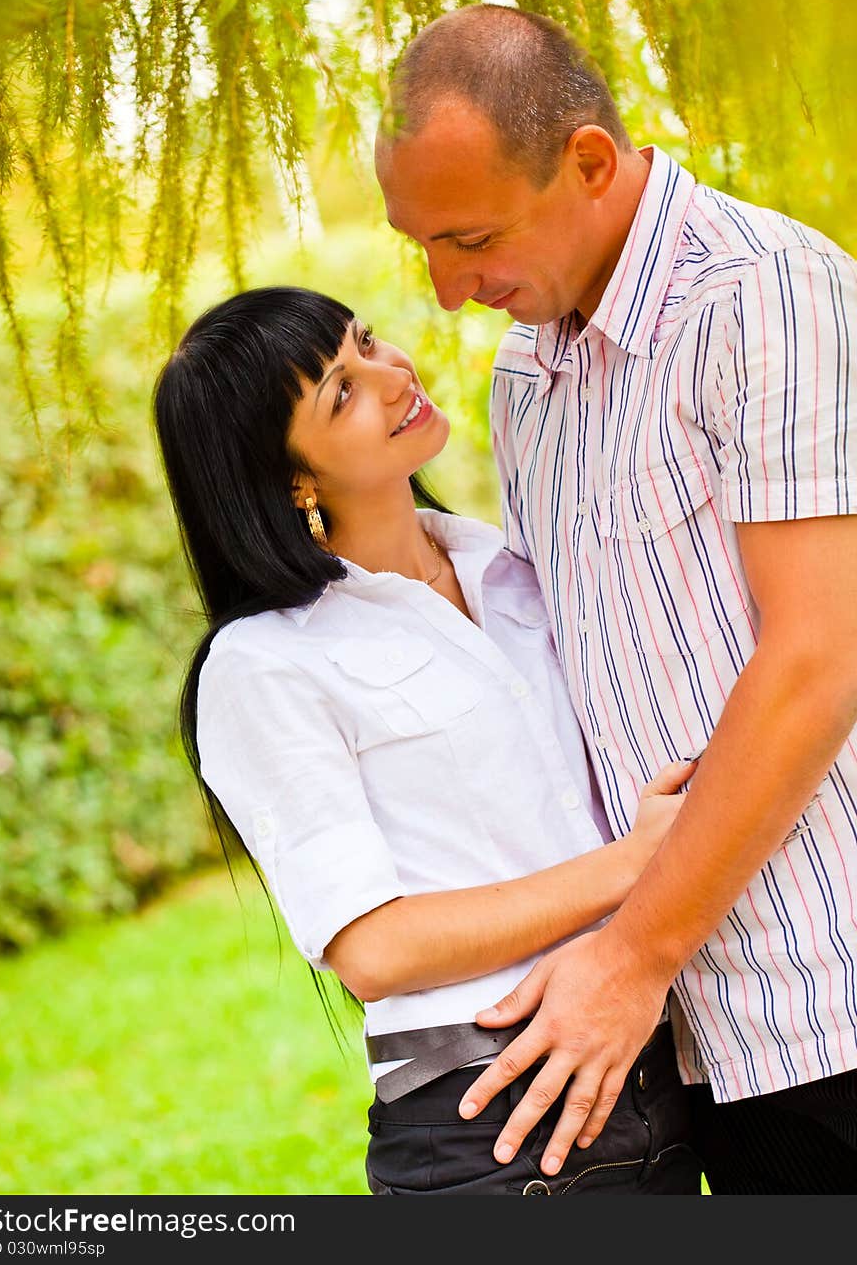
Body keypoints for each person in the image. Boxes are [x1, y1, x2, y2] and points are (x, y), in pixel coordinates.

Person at [374, 3, 857, 1194]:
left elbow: (822, 656)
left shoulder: (766, 296)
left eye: (471, 236)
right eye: (419, 245)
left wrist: (632, 955)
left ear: (589, 161)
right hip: (685, 1045)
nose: (444, 290)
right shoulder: (527, 377)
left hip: (831, 996)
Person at [152, 284, 705, 1195]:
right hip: (489, 1132)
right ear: (293, 479)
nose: (391, 372)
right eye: (341, 390)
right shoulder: (268, 665)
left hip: (650, 1080)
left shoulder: (516, 566)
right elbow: (376, 949)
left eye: (366, 341)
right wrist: (634, 863)